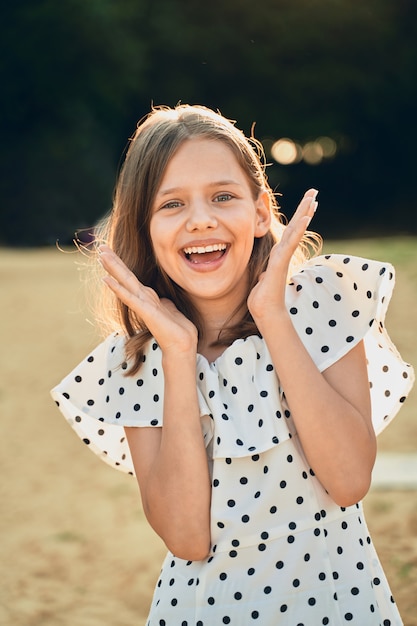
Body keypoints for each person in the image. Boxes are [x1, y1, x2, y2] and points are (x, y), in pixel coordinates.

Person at [51, 104, 414, 625]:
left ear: (261, 212)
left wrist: (274, 318)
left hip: (340, 605)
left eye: (223, 196)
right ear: (145, 228)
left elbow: (349, 479)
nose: (202, 219)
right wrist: (178, 357)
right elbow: (187, 538)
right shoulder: (133, 363)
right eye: (171, 204)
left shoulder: (324, 302)